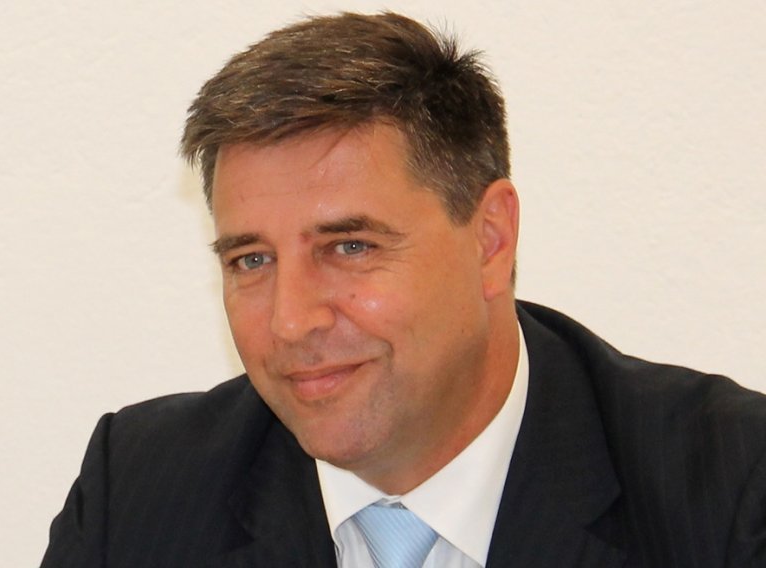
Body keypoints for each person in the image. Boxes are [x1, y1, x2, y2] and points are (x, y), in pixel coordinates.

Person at [41, 12, 766, 568]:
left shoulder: (733, 490)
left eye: (349, 247)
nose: (291, 322)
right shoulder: (138, 493)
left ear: (490, 240)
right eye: (252, 260)